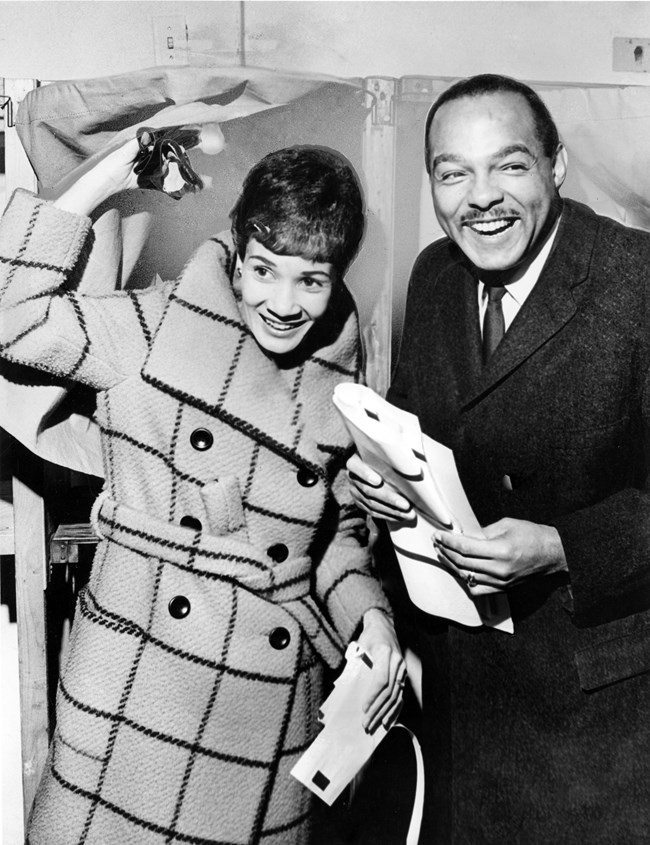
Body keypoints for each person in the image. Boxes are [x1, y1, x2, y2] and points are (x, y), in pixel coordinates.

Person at [0, 139, 405, 844]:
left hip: (267, 720)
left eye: (311, 281)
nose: (282, 304)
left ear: (338, 278)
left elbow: (332, 537)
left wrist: (371, 620)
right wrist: (104, 176)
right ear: (236, 250)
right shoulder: (151, 331)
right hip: (137, 697)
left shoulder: (341, 381)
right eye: (263, 271)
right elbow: (13, 320)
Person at [347, 73, 650, 844]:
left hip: (599, 725)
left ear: (556, 165)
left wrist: (560, 547)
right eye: (455, 173)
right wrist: (384, 479)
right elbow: (420, 426)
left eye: (509, 165)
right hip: (464, 705)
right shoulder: (437, 277)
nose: (481, 197)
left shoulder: (636, 280)